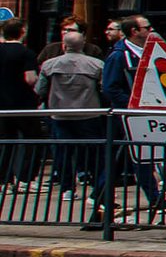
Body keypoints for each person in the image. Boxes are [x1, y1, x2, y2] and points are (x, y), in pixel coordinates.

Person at [98, 17, 166, 238]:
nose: (151, 30)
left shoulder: (145, 52)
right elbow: (110, 89)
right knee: (117, 161)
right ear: (133, 31)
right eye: (146, 27)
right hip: (127, 119)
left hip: (144, 118)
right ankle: (100, 202)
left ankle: (155, 199)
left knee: (142, 159)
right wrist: (134, 106)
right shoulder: (119, 56)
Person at [38, 27, 107, 199]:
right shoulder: (97, 64)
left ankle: (67, 188)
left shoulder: (49, 64)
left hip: (60, 114)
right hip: (89, 113)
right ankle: (97, 188)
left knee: (63, 152)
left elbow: (40, 89)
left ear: (64, 45)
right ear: (82, 44)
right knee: (94, 152)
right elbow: (104, 89)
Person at [0, 16, 38, 187]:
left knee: (5, 140)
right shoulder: (26, 53)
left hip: (2, 102)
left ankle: (3, 180)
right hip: (22, 102)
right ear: (23, 32)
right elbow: (30, 79)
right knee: (32, 139)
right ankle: (25, 178)